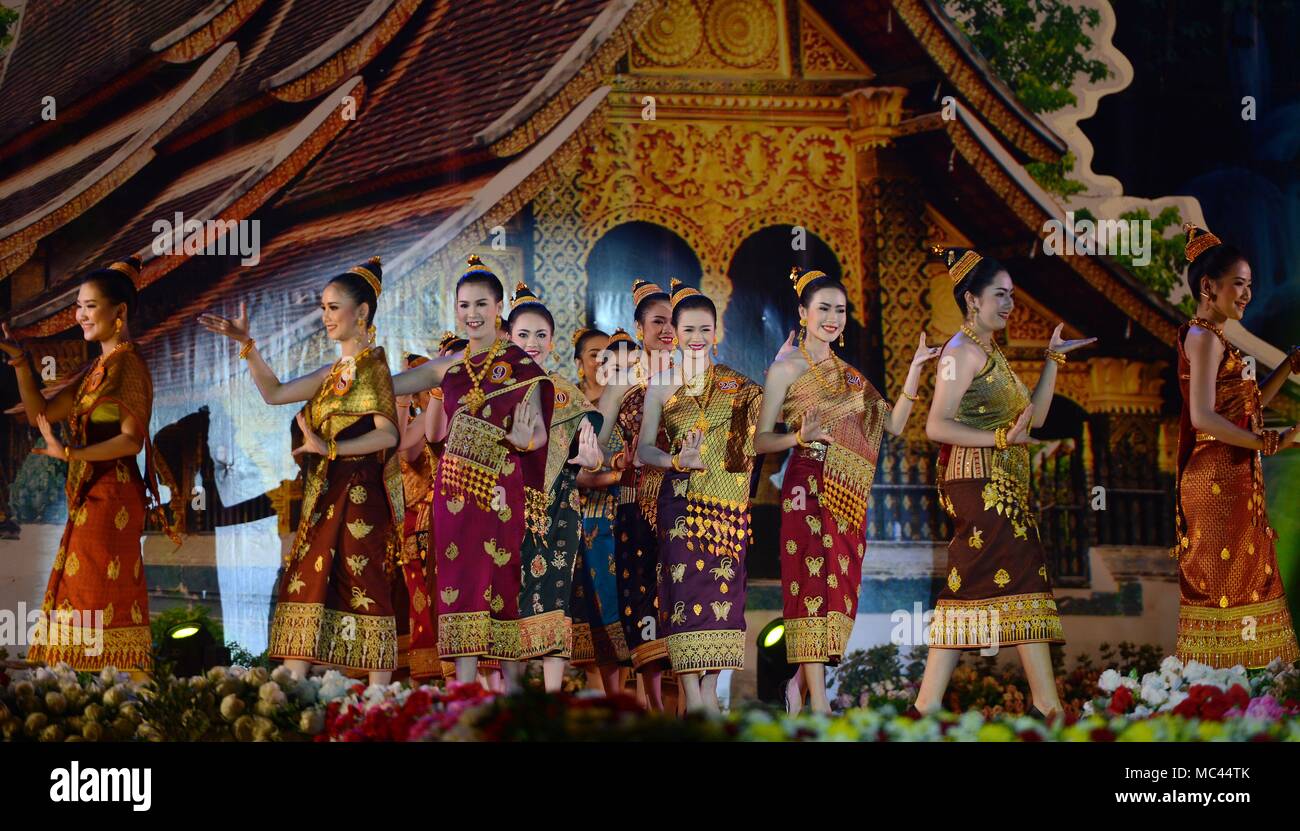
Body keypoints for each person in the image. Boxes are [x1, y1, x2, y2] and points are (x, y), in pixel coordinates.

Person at [200, 256, 403, 685]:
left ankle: (380, 696)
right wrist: (247, 346)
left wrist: (330, 446)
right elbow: (274, 393)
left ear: (361, 312)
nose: (325, 316)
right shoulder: (331, 374)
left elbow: (388, 435)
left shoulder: (374, 366)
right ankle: (291, 690)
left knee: (363, 580)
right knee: (307, 580)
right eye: (323, 307)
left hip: (359, 493)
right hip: (322, 495)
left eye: (333, 307)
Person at [913, 246, 1095, 718]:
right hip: (977, 485)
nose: (1009, 304)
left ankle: (928, 706)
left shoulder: (991, 354)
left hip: (1003, 486)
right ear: (972, 299)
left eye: (1012, 295)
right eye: (1000, 295)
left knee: (977, 583)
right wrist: (997, 438)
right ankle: (1047, 705)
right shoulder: (958, 352)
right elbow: (936, 425)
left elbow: (1033, 422)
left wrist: (1052, 360)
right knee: (1021, 572)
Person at [754, 267, 939, 714]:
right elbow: (759, 441)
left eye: (840, 309)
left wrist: (915, 370)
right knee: (808, 586)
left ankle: (798, 685)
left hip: (846, 493)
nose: (833, 318)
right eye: (824, 309)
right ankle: (819, 703)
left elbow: (892, 424)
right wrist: (797, 438)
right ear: (803, 313)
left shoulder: (851, 379)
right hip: (804, 486)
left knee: (839, 592)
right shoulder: (784, 369)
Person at [3, 256, 180, 675]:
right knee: (80, 591)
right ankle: (85, 688)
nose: (80, 315)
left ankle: (112, 685)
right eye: (78, 306)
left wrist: (72, 455)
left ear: (118, 313)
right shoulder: (95, 369)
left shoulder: (128, 365)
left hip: (114, 493)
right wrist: (21, 362)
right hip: (90, 495)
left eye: (89, 305)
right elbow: (41, 412)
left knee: (95, 593)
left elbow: (131, 440)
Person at [389, 255, 553, 692]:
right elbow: (389, 383)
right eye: (464, 305)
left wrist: (523, 442)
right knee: (456, 586)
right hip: (453, 494)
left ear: (499, 307)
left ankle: (511, 698)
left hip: (500, 493)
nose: (472, 314)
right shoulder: (447, 368)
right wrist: (345, 374)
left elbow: (536, 432)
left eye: (481, 304)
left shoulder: (522, 368)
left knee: (503, 583)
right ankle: (463, 694)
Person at [1173, 224, 1299, 667]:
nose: (1247, 295)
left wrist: (1287, 366)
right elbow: (1202, 417)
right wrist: (1268, 441)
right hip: (1215, 479)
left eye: (1250, 286)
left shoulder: (1216, 338)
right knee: (1226, 587)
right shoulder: (1203, 337)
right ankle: (1216, 690)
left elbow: (1244, 406)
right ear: (1209, 286)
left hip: (1235, 475)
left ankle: (1242, 689)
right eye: (1239, 285)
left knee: (1246, 582)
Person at [637, 280, 763, 714]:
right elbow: (642, 451)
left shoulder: (740, 387)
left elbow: (752, 446)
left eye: (704, 329)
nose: (696, 338)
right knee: (686, 596)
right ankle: (692, 697)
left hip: (727, 510)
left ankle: (710, 693)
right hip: (681, 506)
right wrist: (675, 461)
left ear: (716, 332)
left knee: (724, 599)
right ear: (675, 332)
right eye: (688, 329)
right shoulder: (660, 386)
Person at [507, 282, 602, 691]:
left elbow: (592, 452)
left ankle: (551, 701)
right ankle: (506, 704)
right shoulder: (496, 391)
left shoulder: (568, 395)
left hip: (559, 509)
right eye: (523, 335)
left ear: (553, 342)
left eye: (540, 335)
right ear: (507, 338)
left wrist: (592, 460)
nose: (532, 343)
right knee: (507, 602)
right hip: (505, 507)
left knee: (555, 599)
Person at [593, 279, 676, 710]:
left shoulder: (694, 378)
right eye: (657, 321)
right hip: (633, 503)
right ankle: (651, 706)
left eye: (673, 321)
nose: (667, 329)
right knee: (640, 600)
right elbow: (596, 443)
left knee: (684, 598)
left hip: (683, 502)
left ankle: (691, 707)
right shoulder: (622, 380)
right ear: (639, 328)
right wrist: (610, 464)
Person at [572, 328, 634, 694]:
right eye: (593, 354)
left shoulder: (628, 402)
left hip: (618, 519)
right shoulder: (570, 406)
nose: (601, 361)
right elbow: (567, 471)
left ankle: (621, 701)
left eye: (607, 354)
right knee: (587, 618)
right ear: (579, 363)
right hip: (579, 524)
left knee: (618, 614)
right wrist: (613, 473)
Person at [393, 353, 441, 681]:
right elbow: (404, 449)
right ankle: (437, 678)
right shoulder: (429, 415)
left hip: (478, 514)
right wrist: (401, 403)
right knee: (428, 603)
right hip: (429, 518)